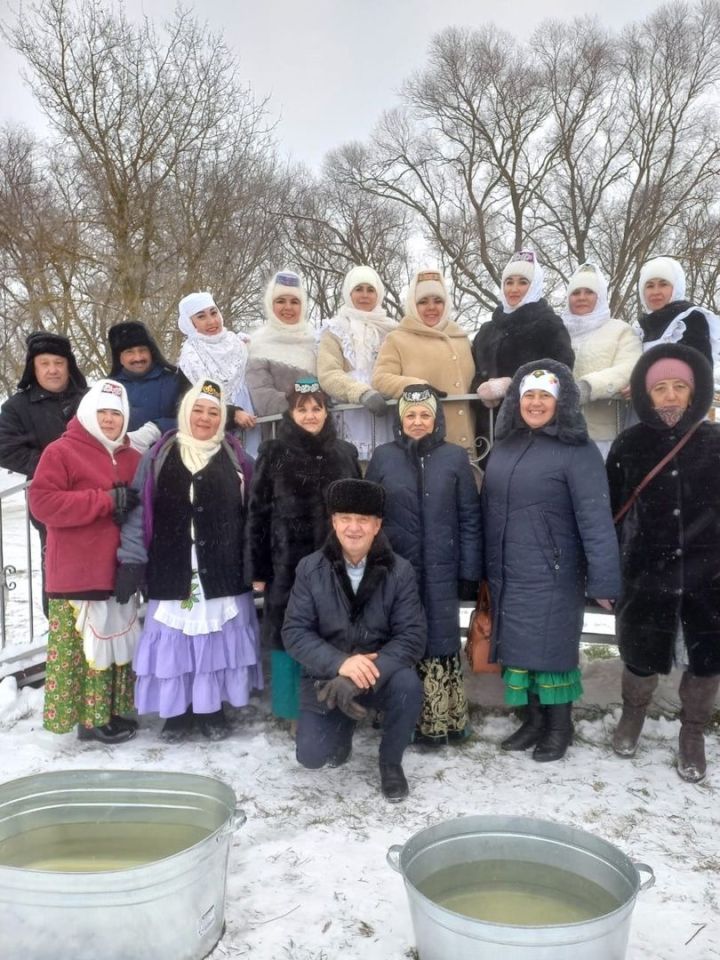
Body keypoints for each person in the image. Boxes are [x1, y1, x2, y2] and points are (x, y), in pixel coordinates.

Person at [481, 360, 620, 762]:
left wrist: (604, 580)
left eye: (545, 396)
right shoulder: (505, 445)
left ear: (560, 403)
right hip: (509, 569)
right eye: (529, 396)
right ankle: (535, 721)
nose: (536, 403)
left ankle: (560, 727)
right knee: (521, 652)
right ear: (517, 402)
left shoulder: (578, 450)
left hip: (554, 571)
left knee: (553, 653)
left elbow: (595, 517)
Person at [115, 379, 262, 742]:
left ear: (222, 418)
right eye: (198, 409)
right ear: (185, 412)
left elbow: (257, 515)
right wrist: (132, 560)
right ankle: (177, 713)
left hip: (223, 567)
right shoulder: (158, 454)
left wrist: (258, 563)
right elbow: (138, 511)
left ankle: (211, 710)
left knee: (217, 640)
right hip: (172, 564)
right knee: (174, 640)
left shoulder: (238, 457)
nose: (205, 418)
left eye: (213, 412)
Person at [607, 344, 720, 782]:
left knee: (707, 658)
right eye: (660, 388)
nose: (670, 396)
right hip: (647, 571)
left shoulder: (714, 443)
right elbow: (611, 512)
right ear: (645, 394)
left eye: (678, 387)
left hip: (710, 576)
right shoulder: (628, 445)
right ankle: (632, 717)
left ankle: (692, 733)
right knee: (640, 651)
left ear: (693, 393)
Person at [282, 478, 426, 801]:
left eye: (363, 520)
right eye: (345, 518)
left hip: (380, 677)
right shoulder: (311, 569)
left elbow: (412, 635)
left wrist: (361, 678)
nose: (353, 528)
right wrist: (341, 664)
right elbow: (294, 632)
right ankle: (342, 725)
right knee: (313, 757)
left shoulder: (399, 571)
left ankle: (391, 763)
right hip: (326, 678)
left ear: (377, 526)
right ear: (333, 522)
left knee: (408, 685)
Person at [28, 379, 142, 743]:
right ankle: (89, 722)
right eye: (103, 413)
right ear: (89, 413)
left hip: (116, 569)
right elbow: (43, 504)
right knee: (85, 648)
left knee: (113, 641)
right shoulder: (61, 452)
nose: (109, 420)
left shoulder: (132, 456)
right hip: (76, 572)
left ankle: (107, 712)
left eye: (117, 414)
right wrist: (105, 501)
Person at [366, 385, 481, 744]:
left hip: (441, 569)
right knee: (397, 637)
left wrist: (469, 571)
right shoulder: (383, 457)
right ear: (400, 420)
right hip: (393, 571)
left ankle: (438, 723)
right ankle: (397, 716)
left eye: (425, 415)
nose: (417, 421)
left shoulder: (454, 457)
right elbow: (369, 516)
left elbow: (469, 517)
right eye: (410, 415)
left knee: (438, 638)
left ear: (437, 419)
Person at [246, 378, 361, 723]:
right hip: (287, 567)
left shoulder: (344, 453)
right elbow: (258, 514)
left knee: (331, 632)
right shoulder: (273, 453)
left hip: (335, 564)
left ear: (327, 411)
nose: (310, 415)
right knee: (287, 633)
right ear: (290, 413)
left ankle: (327, 705)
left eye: (317, 408)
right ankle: (289, 710)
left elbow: (359, 512)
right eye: (302, 408)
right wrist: (258, 571)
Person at [0, 331, 88, 614]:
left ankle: (100, 629)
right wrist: (54, 467)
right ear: (33, 368)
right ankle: (59, 626)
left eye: (59, 363)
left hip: (94, 492)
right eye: (45, 363)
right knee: (56, 559)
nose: (53, 370)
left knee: (98, 555)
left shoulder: (89, 399)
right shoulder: (17, 407)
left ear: (68, 365)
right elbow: (6, 448)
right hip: (49, 498)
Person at [471, 250, 574, 445]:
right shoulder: (487, 330)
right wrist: (480, 388)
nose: (514, 289)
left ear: (534, 285)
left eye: (522, 282)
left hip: (533, 426)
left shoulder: (549, 325)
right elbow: (474, 370)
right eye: (509, 282)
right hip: (487, 430)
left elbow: (561, 371)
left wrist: (511, 383)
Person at [372, 269, 475, 457]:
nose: (431, 307)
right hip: (423, 444)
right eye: (423, 302)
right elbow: (380, 379)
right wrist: (417, 386)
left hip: (467, 442)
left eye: (438, 301)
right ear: (413, 304)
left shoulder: (462, 338)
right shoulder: (398, 339)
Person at [561, 263, 641, 458]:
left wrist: (588, 387)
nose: (581, 297)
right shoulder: (556, 330)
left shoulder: (620, 330)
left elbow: (629, 368)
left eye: (589, 292)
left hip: (601, 437)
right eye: (576, 292)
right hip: (559, 432)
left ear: (600, 296)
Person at [317, 265, 396, 461]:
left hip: (385, 413)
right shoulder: (335, 329)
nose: (364, 295)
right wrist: (361, 393)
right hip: (350, 413)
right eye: (358, 289)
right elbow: (328, 373)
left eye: (370, 290)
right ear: (348, 292)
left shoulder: (393, 330)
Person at [176, 292, 259, 454]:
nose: (212, 321)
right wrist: (232, 414)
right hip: (214, 435)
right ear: (190, 323)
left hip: (252, 424)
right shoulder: (190, 357)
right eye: (201, 317)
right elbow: (195, 402)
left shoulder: (237, 343)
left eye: (214, 313)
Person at [246, 271, 318, 422]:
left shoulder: (315, 341)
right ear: (270, 304)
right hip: (279, 431)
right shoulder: (259, 344)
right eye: (280, 301)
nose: (288, 307)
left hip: (317, 430)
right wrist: (302, 408)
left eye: (294, 302)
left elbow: (326, 385)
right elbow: (261, 394)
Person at [108, 320, 187, 447]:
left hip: (164, 456)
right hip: (121, 456)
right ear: (120, 358)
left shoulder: (174, 381)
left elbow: (190, 419)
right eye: (130, 352)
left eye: (142, 350)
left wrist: (157, 428)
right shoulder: (108, 388)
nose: (138, 357)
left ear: (151, 352)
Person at [633, 256, 716, 367]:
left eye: (663, 284)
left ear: (676, 287)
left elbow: (700, 370)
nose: (655, 292)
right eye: (650, 286)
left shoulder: (689, 319)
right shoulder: (640, 328)